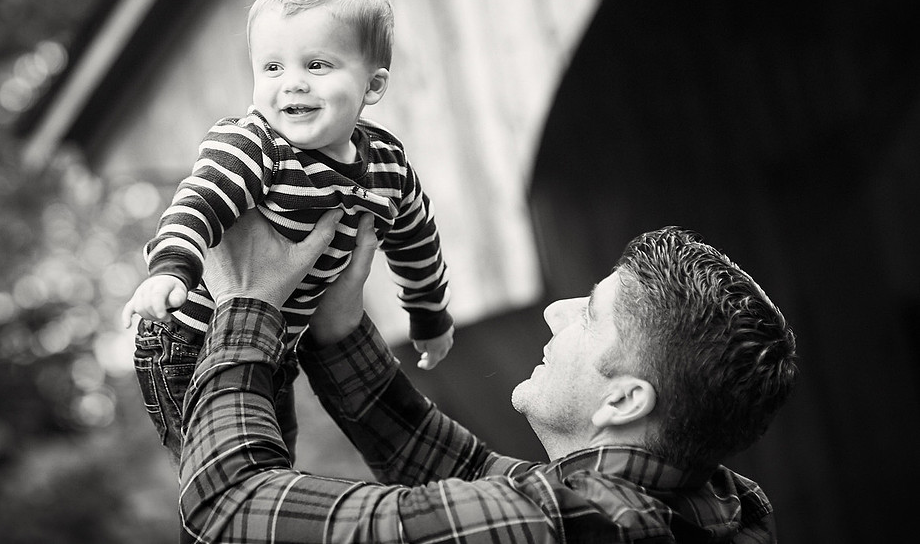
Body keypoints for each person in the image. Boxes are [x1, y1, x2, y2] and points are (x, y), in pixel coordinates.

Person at [176, 209, 798, 543]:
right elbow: (464, 471)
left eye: (590, 315)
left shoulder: (571, 526)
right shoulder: (721, 505)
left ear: (626, 399)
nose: (556, 312)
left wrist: (247, 304)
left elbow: (226, 510)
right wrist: (341, 330)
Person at [122, 0, 454, 459]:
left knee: (278, 459)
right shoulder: (252, 145)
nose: (291, 84)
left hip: (276, 344)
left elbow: (416, 239)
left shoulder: (387, 165)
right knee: (229, 469)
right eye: (272, 68)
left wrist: (428, 312)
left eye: (317, 65)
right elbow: (199, 202)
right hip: (189, 340)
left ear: (373, 85)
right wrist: (171, 268)